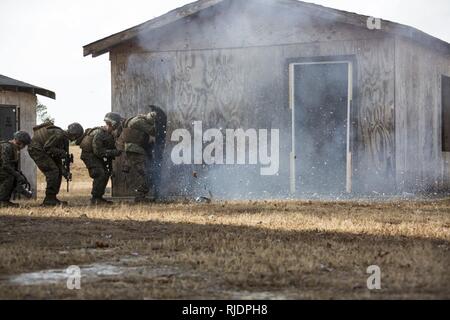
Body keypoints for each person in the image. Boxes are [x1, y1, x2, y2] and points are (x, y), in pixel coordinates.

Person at [28, 121, 84, 206]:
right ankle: (49, 199)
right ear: (74, 135)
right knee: (53, 172)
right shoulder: (59, 135)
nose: (75, 139)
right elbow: (48, 147)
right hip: (37, 150)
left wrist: (64, 171)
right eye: (76, 136)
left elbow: (56, 158)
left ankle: (52, 197)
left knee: (57, 171)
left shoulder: (62, 138)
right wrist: (62, 153)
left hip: (39, 149)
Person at [114, 111, 157, 202]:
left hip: (136, 151)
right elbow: (153, 131)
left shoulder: (137, 120)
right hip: (135, 151)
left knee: (148, 173)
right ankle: (140, 196)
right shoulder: (138, 121)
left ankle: (141, 195)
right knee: (149, 173)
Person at [77, 122, 121, 205]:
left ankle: (98, 197)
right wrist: (113, 152)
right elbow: (98, 151)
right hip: (89, 155)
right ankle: (95, 198)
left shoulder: (108, 134)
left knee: (106, 173)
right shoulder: (100, 133)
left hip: (95, 156)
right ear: (113, 125)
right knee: (100, 173)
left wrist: (110, 167)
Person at [0, 131, 32, 207]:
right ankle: (2, 201)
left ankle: (6, 199)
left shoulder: (13, 148)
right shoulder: (7, 147)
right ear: (20, 142)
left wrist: (20, 175)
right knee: (9, 176)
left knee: (15, 176)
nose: (24, 147)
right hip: (3, 170)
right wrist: (17, 175)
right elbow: (5, 165)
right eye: (24, 144)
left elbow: (11, 166)